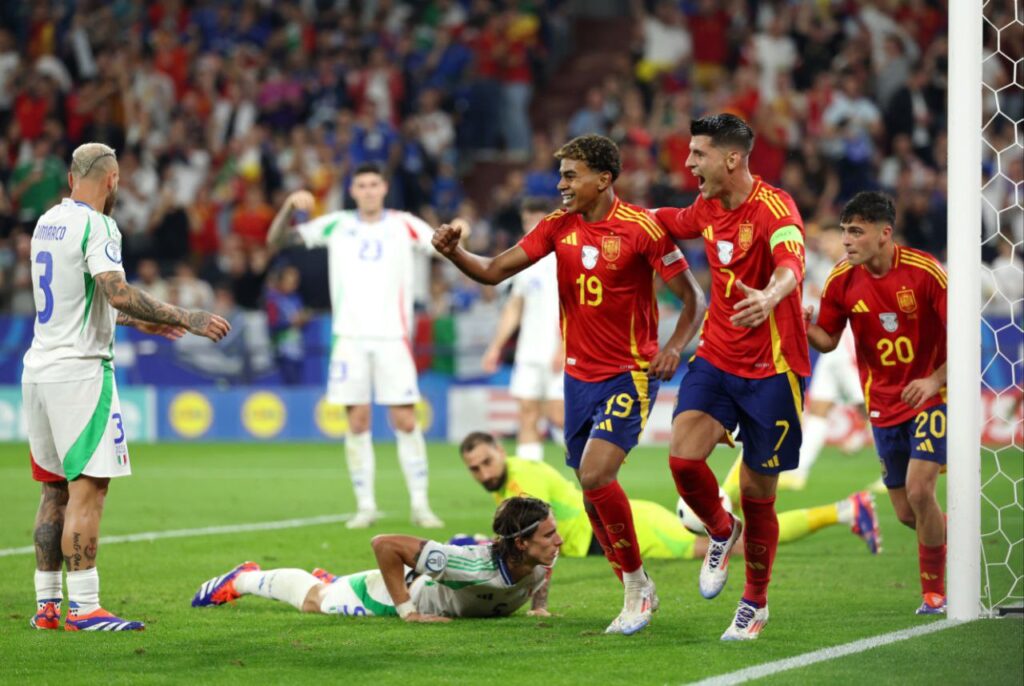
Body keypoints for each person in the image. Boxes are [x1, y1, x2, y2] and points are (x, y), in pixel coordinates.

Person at [434, 134, 707, 635]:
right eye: (560, 175)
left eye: (570, 175)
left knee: (597, 475)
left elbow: (693, 298)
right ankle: (636, 583)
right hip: (578, 379)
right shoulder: (557, 226)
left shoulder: (642, 228)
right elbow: (493, 271)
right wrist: (455, 253)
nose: (560, 184)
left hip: (629, 373)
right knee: (590, 491)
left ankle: (636, 588)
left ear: (603, 179)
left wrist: (674, 348)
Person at [25, 142, 231, 632]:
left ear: (71, 177)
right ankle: (85, 607)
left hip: (39, 369)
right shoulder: (99, 225)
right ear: (113, 180)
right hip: (81, 374)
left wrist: (141, 322)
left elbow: (81, 300)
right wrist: (185, 316)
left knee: (54, 491)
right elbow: (116, 291)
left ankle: (48, 606)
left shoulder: (46, 222)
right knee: (89, 490)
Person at [654, 113, 810, 641]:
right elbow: (668, 220)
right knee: (682, 458)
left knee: (757, 493)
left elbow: (792, 262)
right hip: (717, 357)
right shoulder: (706, 206)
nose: (688, 163)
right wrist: (617, 214)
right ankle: (722, 530)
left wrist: (770, 295)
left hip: (773, 372)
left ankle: (755, 602)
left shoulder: (775, 208)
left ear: (732, 158)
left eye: (698, 154)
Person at [266, 163, 443, 529]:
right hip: (349, 337)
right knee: (358, 421)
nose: (368, 190)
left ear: (384, 188)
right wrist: (288, 207)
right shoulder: (337, 224)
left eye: (374, 184)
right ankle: (365, 506)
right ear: (352, 190)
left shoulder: (404, 224)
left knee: (405, 419)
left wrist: (458, 231)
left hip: (393, 336)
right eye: (361, 185)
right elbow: (277, 241)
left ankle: (420, 504)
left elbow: (443, 248)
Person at [806, 191, 948, 615]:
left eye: (856, 232)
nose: (846, 240)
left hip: (932, 398)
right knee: (906, 512)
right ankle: (952, 542)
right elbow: (828, 340)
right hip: (882, 405)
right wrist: (803, 325)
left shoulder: (925, 271)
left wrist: (933, 380)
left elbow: (965, 337)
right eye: (845, 231)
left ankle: (934, 594)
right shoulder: (841, 279)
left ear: (885, 233)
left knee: (921, 491)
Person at [458, 431, 880, 560]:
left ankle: (844, 510)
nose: (483, 473)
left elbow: (533, 534)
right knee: (727, 529)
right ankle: (842, 509)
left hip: (631, 531)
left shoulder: (523, 478)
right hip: (616, 531)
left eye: (486, 462)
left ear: (500, 451)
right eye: (474, 469)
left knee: (737, 545)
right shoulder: (507, 483)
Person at [191, 496, 559, 621]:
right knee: (316, 600)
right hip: (392, 596)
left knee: (331, 591)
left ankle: (338, 583)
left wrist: (539, 606)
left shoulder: (541, 557)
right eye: (548, 535)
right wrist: (408, 612)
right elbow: (384, 544)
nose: (558, 541)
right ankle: (242, 578)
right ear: (521, 543)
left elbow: (545, 570)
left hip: (416, 586)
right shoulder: (469, 565)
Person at [779, 226, 868, 491]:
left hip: (847, 343)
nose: (826, 245)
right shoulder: (824, 268)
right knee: (818, 407)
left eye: (830, 239)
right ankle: (798, 472)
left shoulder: (852, 269)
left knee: (870, 407)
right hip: (831, 349)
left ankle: (901, 471)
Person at [480, 198, 564, 461]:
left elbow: (576, 307)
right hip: (529, 350)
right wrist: (495, 347)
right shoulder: (522, 260)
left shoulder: (564, 255)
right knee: (527, 413)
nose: (532, 225)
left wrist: (564, 347)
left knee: (560, 416)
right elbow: (514, 308)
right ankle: (530, 480)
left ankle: (589, 475)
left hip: (561, 350)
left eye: (538, 219)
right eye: (528, 220)